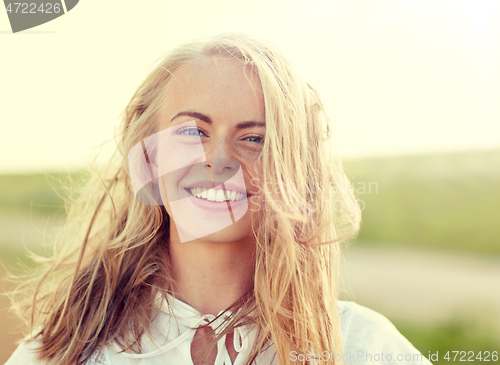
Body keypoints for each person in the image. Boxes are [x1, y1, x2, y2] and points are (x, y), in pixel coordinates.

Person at [4, 33, 431, 365]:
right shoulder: (65, 352)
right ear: (149, 157)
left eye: (254, 138)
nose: (220, 161)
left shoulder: (360, 345)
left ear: (293, 168)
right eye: (192, 131)